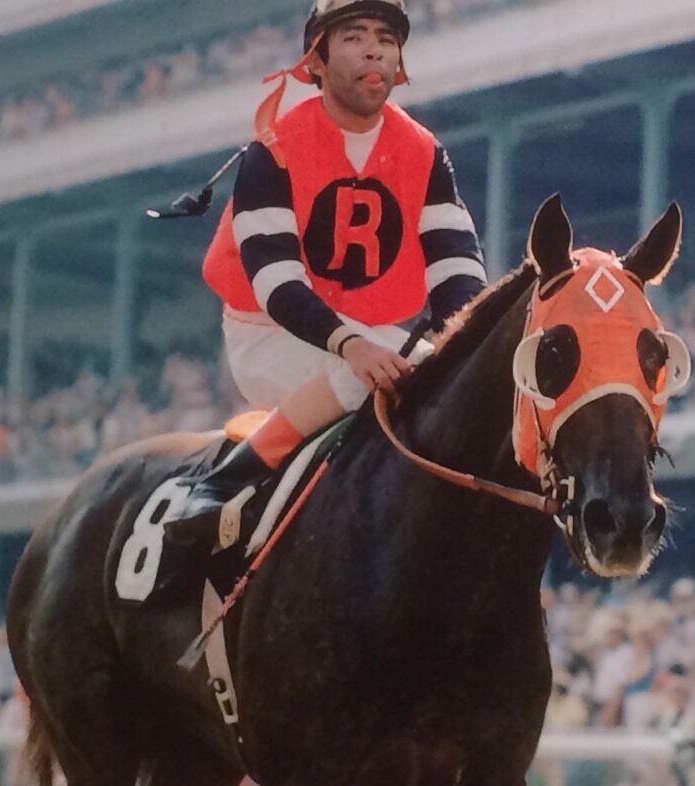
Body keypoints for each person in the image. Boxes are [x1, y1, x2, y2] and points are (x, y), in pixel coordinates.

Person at [167, 0, 487, 542]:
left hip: (370, 332)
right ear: (316, 59)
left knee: (452, 382)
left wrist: (467, 342)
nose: (373, 50)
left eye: (387, 39)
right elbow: (276, 283)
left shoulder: (425, 151)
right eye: (354, 36)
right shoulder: (272, 151)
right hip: (270, 329)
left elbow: (458, 268)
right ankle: (227, 479)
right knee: (365, 376)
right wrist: (352, 346)